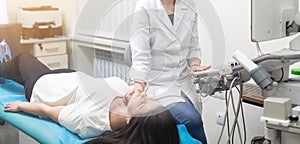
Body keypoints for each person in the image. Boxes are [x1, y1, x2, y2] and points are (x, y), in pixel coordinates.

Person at [1, 53, 180, 144]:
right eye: (148, 97)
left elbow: (48, 110)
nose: (142, 94)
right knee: (19, 71)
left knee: (22, 60)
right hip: (71, 79)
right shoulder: (128, 97)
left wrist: (22, 106)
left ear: (129, 119)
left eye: (143, 102)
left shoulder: (88, 119)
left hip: (44, 87)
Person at [128, 0, 209, 143]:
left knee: (194, 122)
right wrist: (138, 85)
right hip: (158, 85)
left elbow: (193, 47)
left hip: (184, 82)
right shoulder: (144, 8)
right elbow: (140, 55)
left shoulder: (189, 6)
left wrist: (195, 64)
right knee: (192, 120)